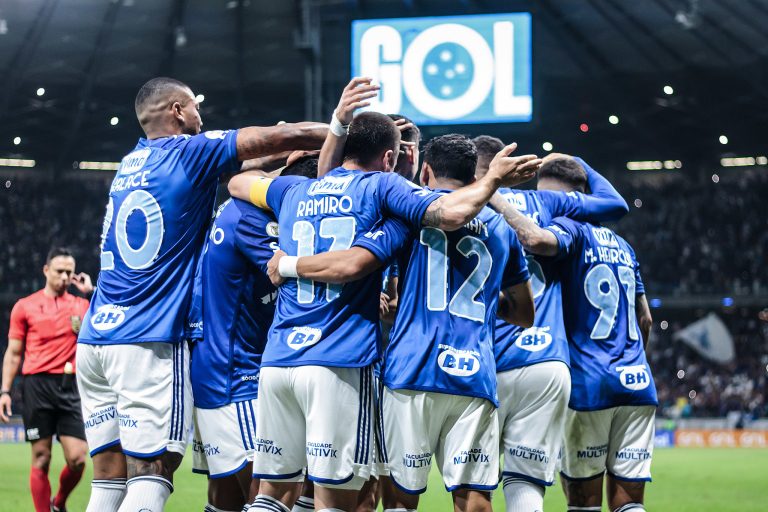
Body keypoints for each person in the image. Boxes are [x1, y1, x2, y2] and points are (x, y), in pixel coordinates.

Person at [227, 83, 541, 512]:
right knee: (362, 497)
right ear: (392, 160)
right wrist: (494, 183)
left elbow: (239, 182)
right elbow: (453, 224)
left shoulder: (297, 193)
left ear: (425, 170)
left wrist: (314, 141)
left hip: (308, 358)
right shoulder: (401, 200)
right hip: (389, 364)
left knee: (284, 492)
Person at [74, 76, 327, 512]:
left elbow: (235, 171)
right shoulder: (189, 151)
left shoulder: (130, 162)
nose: (200, 116)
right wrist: (345, 131)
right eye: (194, 107)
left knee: (109, 478)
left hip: (96, 337)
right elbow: (278, 135)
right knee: (153, 470)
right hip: (145, 337)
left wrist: (274, 157)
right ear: (176, 110)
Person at [491, 170, 656, 512]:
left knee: (584, 501)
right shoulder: (624, 247)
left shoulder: (570, 233)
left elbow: (535, 240)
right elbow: (646, 320)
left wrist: (491, 192)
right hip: (639, 382)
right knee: (630, 504)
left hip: (590, 383)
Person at [190, 155, 319, 512]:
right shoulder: (254, 218)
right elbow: (286, 272)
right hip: (237, 374)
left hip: (216, 363)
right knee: (275, 489)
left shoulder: (238, 206)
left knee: (226, 495)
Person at [1, 247, 92, 512]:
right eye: (59, 271)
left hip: (70, 386)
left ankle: (59, 502)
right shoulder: (24, 306)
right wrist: (5, 391)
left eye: (69, 272)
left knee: (77, 459)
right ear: (46, 270)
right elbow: (14, 352)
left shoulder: (82, 306)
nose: (64, 277)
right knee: (40, 458)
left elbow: (110, 316)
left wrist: (90, 291)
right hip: (36, 386)